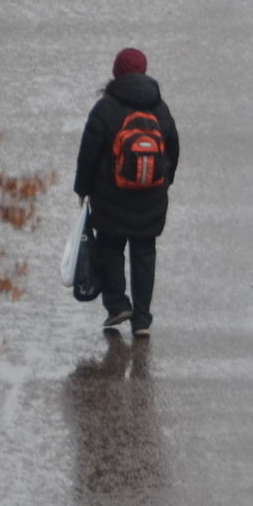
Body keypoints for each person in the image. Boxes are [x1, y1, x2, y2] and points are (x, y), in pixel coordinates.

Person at [74, 47, 179, 337]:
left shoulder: (105, 108)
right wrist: (164, 181)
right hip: (152, 195)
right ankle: (142, 319)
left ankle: (118, 304)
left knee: (111, 247)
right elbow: (173, 147)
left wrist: (82, 188)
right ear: (144, 71)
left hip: (111, 196)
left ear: (116, 72)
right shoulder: (159, 107)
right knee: (145, 252)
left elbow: (89, 153)